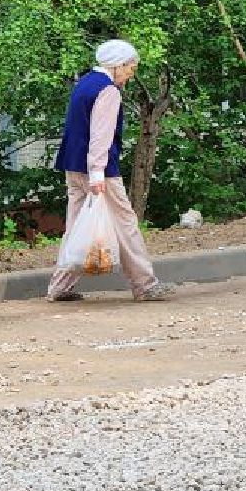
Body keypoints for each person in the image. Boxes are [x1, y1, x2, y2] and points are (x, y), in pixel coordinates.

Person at [46, 40, 175, 303]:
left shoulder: (84, 83)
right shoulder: (108, 91)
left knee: (75, 228)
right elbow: (100, 136)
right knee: (126, 224)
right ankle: (145, 285)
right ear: (117, 65)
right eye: (130, 68)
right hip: (99, 171)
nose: (131, 74)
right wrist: (97, 174)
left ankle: (59, 288)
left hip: (73, 166)